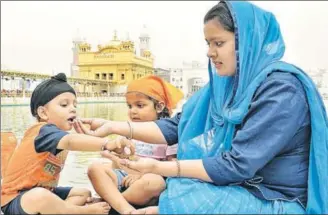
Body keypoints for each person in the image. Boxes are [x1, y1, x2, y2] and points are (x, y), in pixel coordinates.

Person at [76, 1, 328, 214]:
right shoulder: (228, 87)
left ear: (247, 42)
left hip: (278, 198)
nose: (210, 52)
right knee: (181, 187)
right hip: (245, 187)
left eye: (218, 43)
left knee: (183, 192)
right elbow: (178, 125)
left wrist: (157, 167)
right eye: (208, 43)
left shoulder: (281, 90)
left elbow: (236, 165)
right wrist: (112, 126)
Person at [0, 73, 134, 215]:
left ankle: (64, 211)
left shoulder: (59, 137)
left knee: (83, 193)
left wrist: (91, 137)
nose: (73, 109)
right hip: (16, 200)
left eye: (75, 104)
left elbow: (75, 142)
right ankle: (80, 212)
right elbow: (71, 142)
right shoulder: (41, 131)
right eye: (64, 105)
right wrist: (107, 143)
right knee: (39, 196)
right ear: (43, 113)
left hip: (46, 192)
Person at [81, 75, 183, 214]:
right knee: (95, 168)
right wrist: (114, 159)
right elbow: (117, 166)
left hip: (146, 181)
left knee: (154, 182)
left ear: (159, 106)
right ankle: (122, 205)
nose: (133, 111)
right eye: (130, 106)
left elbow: (172, 168)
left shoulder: (168, 136)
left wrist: (140, 176)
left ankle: (110, 202)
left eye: (140, 105)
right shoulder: (128, 132)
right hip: (123, 176)